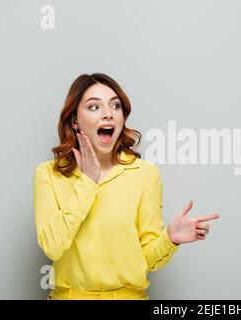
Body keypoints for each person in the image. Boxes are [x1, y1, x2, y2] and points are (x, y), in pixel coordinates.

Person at [33, 73, 220, 300]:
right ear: (74, 120)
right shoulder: (48, 174)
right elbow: (52, 247)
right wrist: (87, 183)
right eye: (94, 107)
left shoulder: (145, 174)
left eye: (115, 106)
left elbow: (147, 258)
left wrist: (169, 239)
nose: (108, 114)